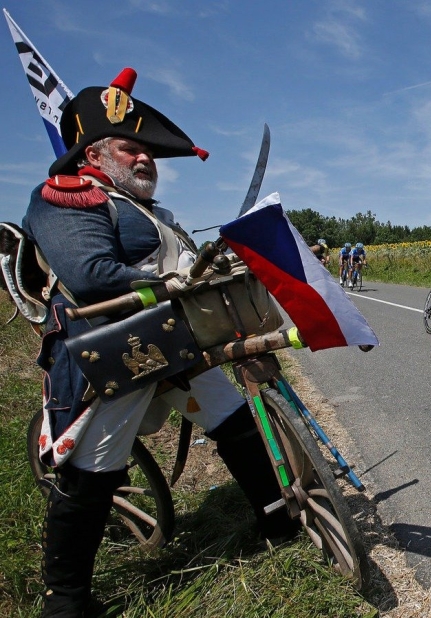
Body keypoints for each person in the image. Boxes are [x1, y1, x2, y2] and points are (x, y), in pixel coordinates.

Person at [21, 68, 298, 617]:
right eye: (131, 149)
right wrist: (165, 282)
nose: (145, 158)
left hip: (173, 340)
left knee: (233, 422)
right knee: (94, 470)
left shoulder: (148, 210)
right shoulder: (65, 197)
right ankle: (66, 601)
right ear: (94, 154)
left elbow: (180, 266)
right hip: (112, 350)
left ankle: (276, 520)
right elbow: (91, 274)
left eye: (147, 150)